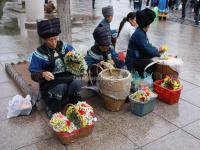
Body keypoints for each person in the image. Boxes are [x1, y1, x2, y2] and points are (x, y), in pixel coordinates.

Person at [29, 18, 81, 118]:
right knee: (60, 87)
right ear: (44, 39)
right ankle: (52, 107)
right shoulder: (39, 53)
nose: (53, 42)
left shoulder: (65, 47)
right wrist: (42, 74)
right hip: (51, 86)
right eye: (50, 40)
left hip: (67, 81)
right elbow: (33, 74)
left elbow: (76, 60)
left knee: (77, 82)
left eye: (55, 39)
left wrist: (77, 63)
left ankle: (76, 104)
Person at [126, 8, 164, 76]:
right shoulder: (139, 34)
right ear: (147, 25)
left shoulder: (140, 31)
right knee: (152, 62)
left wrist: (155, 50)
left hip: (136, 59)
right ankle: (146, 78)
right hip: (133, 62)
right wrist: (157, 50)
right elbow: (147, 50)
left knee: (156, 56)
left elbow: (146, 45)